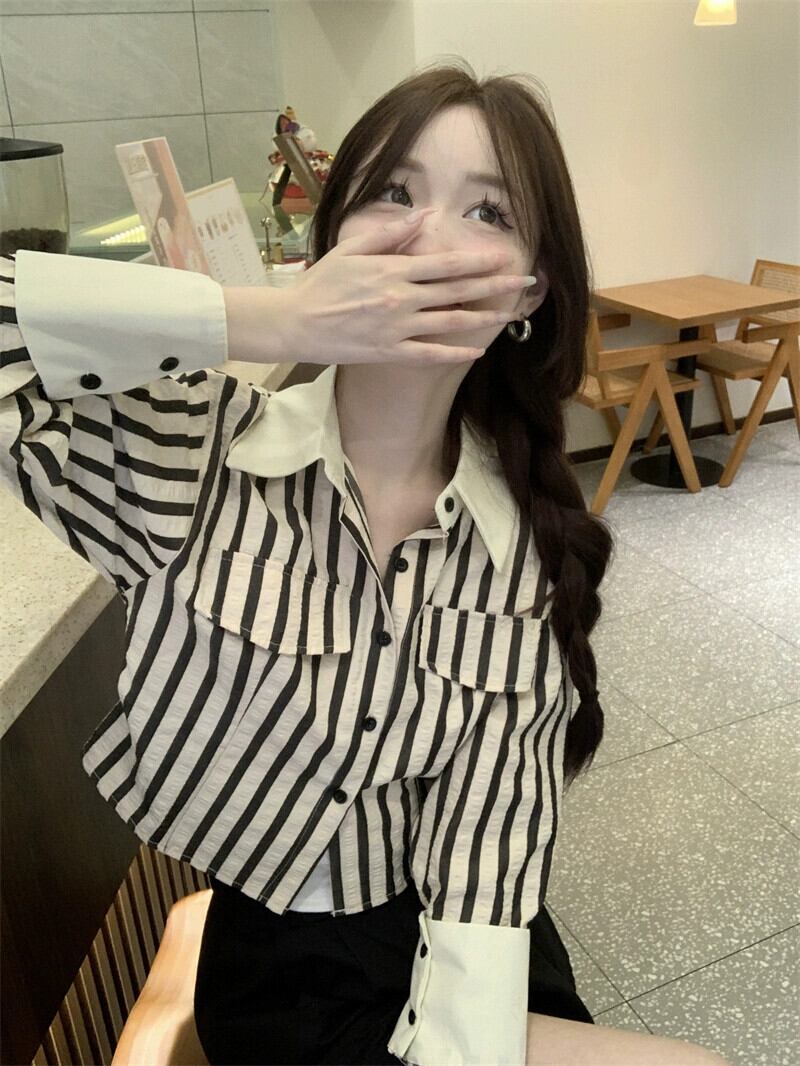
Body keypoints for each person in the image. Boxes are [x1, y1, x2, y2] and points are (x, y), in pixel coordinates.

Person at [0, 61, 731, 1066]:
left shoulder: (518, 549)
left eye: (486, 211)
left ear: (526, 289)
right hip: (284, 974)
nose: (428, 237)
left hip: (460, 933)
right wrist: (272, 316)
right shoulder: (196, 455)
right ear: (333, 235)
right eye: (393, 192)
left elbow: (485, 851)